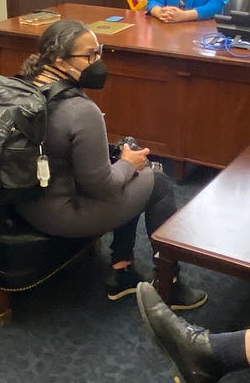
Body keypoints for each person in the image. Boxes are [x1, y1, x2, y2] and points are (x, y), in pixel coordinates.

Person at [13, 20, 207, 309]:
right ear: (59, 61)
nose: (98, 62)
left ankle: (122, 270)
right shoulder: (80, 109)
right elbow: (104, 187)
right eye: (90, 56)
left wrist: (125, 162)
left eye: (99, 52)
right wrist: (130, 164)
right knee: (158, 182)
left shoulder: (23, 84)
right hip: (61, 214)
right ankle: (170, 285)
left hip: (27, 201)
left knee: (125, 155)